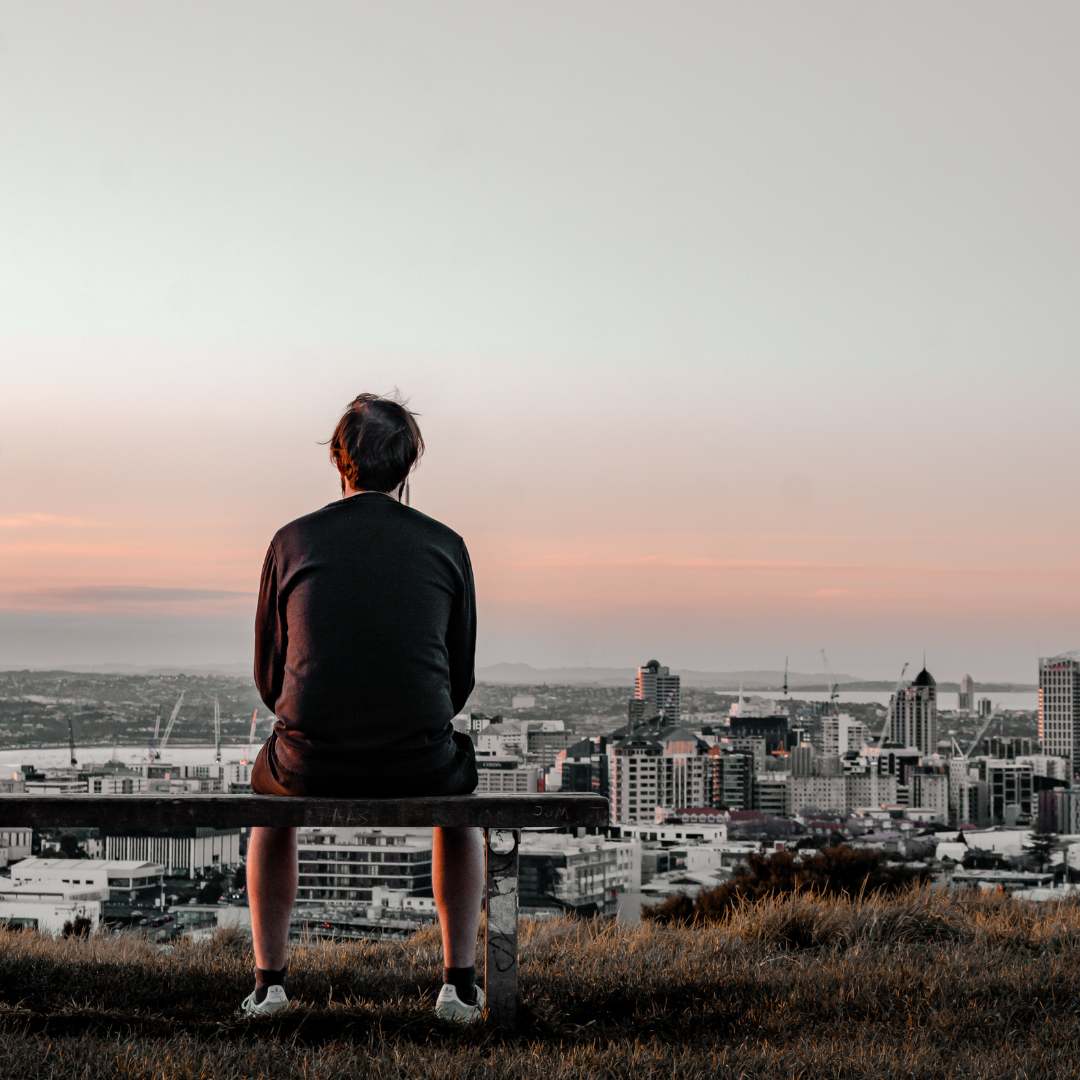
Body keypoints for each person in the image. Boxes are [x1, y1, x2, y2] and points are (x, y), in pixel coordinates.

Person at [242, 393, 485, 1020]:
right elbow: (458, 685)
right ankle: (458, 984)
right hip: (422, 764)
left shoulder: (292, 541)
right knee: (457, 807)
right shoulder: (447, 546)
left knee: (271, 803)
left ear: (337, 459)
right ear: (407, 467)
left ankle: (270, 984)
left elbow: (269, 678)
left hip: (306, 762)